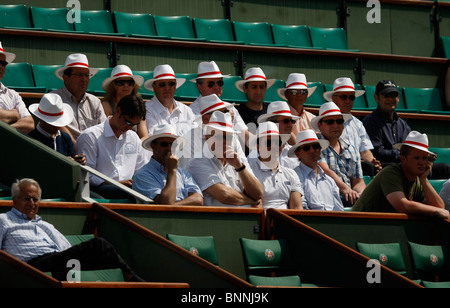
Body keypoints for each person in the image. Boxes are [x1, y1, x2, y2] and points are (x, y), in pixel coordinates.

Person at [0, 178, 145, 281]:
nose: (32, 203)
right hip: (29, 266)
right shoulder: (4, 220)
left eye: (35, 199)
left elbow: (66, 248)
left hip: (57, 261)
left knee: (102, 254)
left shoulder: (45, 225)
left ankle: (129, 280)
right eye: (27, 199)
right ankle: (134, 280)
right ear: (14, 200)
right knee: (99, 244)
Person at [362, 80, 450, 179]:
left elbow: (412, 147)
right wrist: (403, 154)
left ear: (398, 98)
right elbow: (377, 152)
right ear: (376, 98)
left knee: (445, 168)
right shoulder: (369, 122)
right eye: (386, 95)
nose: (390, 99)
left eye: (394, 95)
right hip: (389, 167)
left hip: (408, 164)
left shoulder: (402, 124)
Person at [352, 131, 449, 219]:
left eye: (424, 158)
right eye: (417, 158)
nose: (422, 163)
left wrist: (424, 179)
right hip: (359, 225)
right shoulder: (390, 173)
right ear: (403, 159)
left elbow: (440, 207)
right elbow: (402, 205)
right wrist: (436, 211)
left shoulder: (418, 179)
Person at [76, 94, 149, 201]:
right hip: (98, 190)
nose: (129, 127)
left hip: (126, 190)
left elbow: (142, 169)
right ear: (118, 111)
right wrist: (116, 184)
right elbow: (87, 176)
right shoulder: (90, 136)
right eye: (128, 122)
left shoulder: (133, 137)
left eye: (134, 124)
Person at [187, 111, 263, 207]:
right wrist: (252, 201)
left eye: (227, 137)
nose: (223, 141)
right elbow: (224, 195)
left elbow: (258, 193)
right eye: (219, 136)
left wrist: (239, 167)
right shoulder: (197, 162)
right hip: (219, 220)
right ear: (207, 137)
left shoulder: (237, 160)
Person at [132, 123, 203, 205]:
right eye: (164, 144)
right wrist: (172, 171)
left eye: (173, 145)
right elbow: (166, 204)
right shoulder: (143, 175)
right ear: (153, 146)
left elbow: (198, 199)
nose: (169, 149)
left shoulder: (183, 172)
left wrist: (173, 206)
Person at [324, 77, 381, 176]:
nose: (348, 101)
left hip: (357, 168)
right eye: (344, 97)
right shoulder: (325, 121)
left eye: (351, 97)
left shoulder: (358, 123)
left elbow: (365, 150)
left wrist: (373, 162)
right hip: (334, 167)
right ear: (334, 98)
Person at [312, 102, 366, 206]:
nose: (335, 125)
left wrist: (361, 196)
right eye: (330, 122)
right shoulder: (314, 145)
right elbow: (325, 170)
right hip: (325, 198)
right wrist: (346, 189)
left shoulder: (352, 149)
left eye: (339, 121)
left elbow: (358, 182)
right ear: (320, 125)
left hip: (347, 198)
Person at [188, 61, 249, 147]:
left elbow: (244, 135)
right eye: (211, 83)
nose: (217, 87)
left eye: (220, 82)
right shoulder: (191, 111)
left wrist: (265, 144)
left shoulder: (230, 108)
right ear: (199, 87)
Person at [51, 53, 107, 146]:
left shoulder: (95, 102)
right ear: (65, 78)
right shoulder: (54, 99)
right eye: (79, 75)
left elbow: (104, 130)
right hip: (65, 152)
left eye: (86, 75)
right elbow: (56, 127)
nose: (84, 79)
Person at [177, 94, 244, 168]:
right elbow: (186, 174)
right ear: (205, 118)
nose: (225, 116)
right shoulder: (188, 141)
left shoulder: (231, 136)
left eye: (226, 111)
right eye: (218, 113)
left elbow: (245, 167)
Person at [248, 121, 304, 210]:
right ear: (258, 146)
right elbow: (257, 209)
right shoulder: (249, 173)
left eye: (277, 142)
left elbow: (297, 208)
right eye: (268, 143)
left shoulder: (291, 174)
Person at [289, 130, 344, 211]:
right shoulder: (293, 177)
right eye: (306, 148)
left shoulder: (330, 181)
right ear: (298, 154)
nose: (312, 150)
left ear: (320, 149)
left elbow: (339, 210)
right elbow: (302, 210)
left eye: (315, 146)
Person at [28, 93, 86, 165]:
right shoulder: (30, 140)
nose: (56, 126)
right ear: (40, 119)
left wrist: (76, 161)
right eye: (51, 123)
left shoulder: (66, 138)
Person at [141, 64, 196, 139]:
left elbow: (196, 136)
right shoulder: (145, 110)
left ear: (175, 85)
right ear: (154, 87)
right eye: (162, 84)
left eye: (171, 83)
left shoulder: (187, 110)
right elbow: (156, 138)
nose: (167, 88)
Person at [251, 100, 300, 169]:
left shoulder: (293, 151)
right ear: (272, 122)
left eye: (292, 121)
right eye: (286, 121)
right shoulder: (256, 152)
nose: (290, 125)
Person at [0, 41, 34, 134]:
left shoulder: (12, 94)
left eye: (3, 63)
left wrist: (4, 130)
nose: (0, 66)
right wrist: (14, 114)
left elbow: (29, 124)